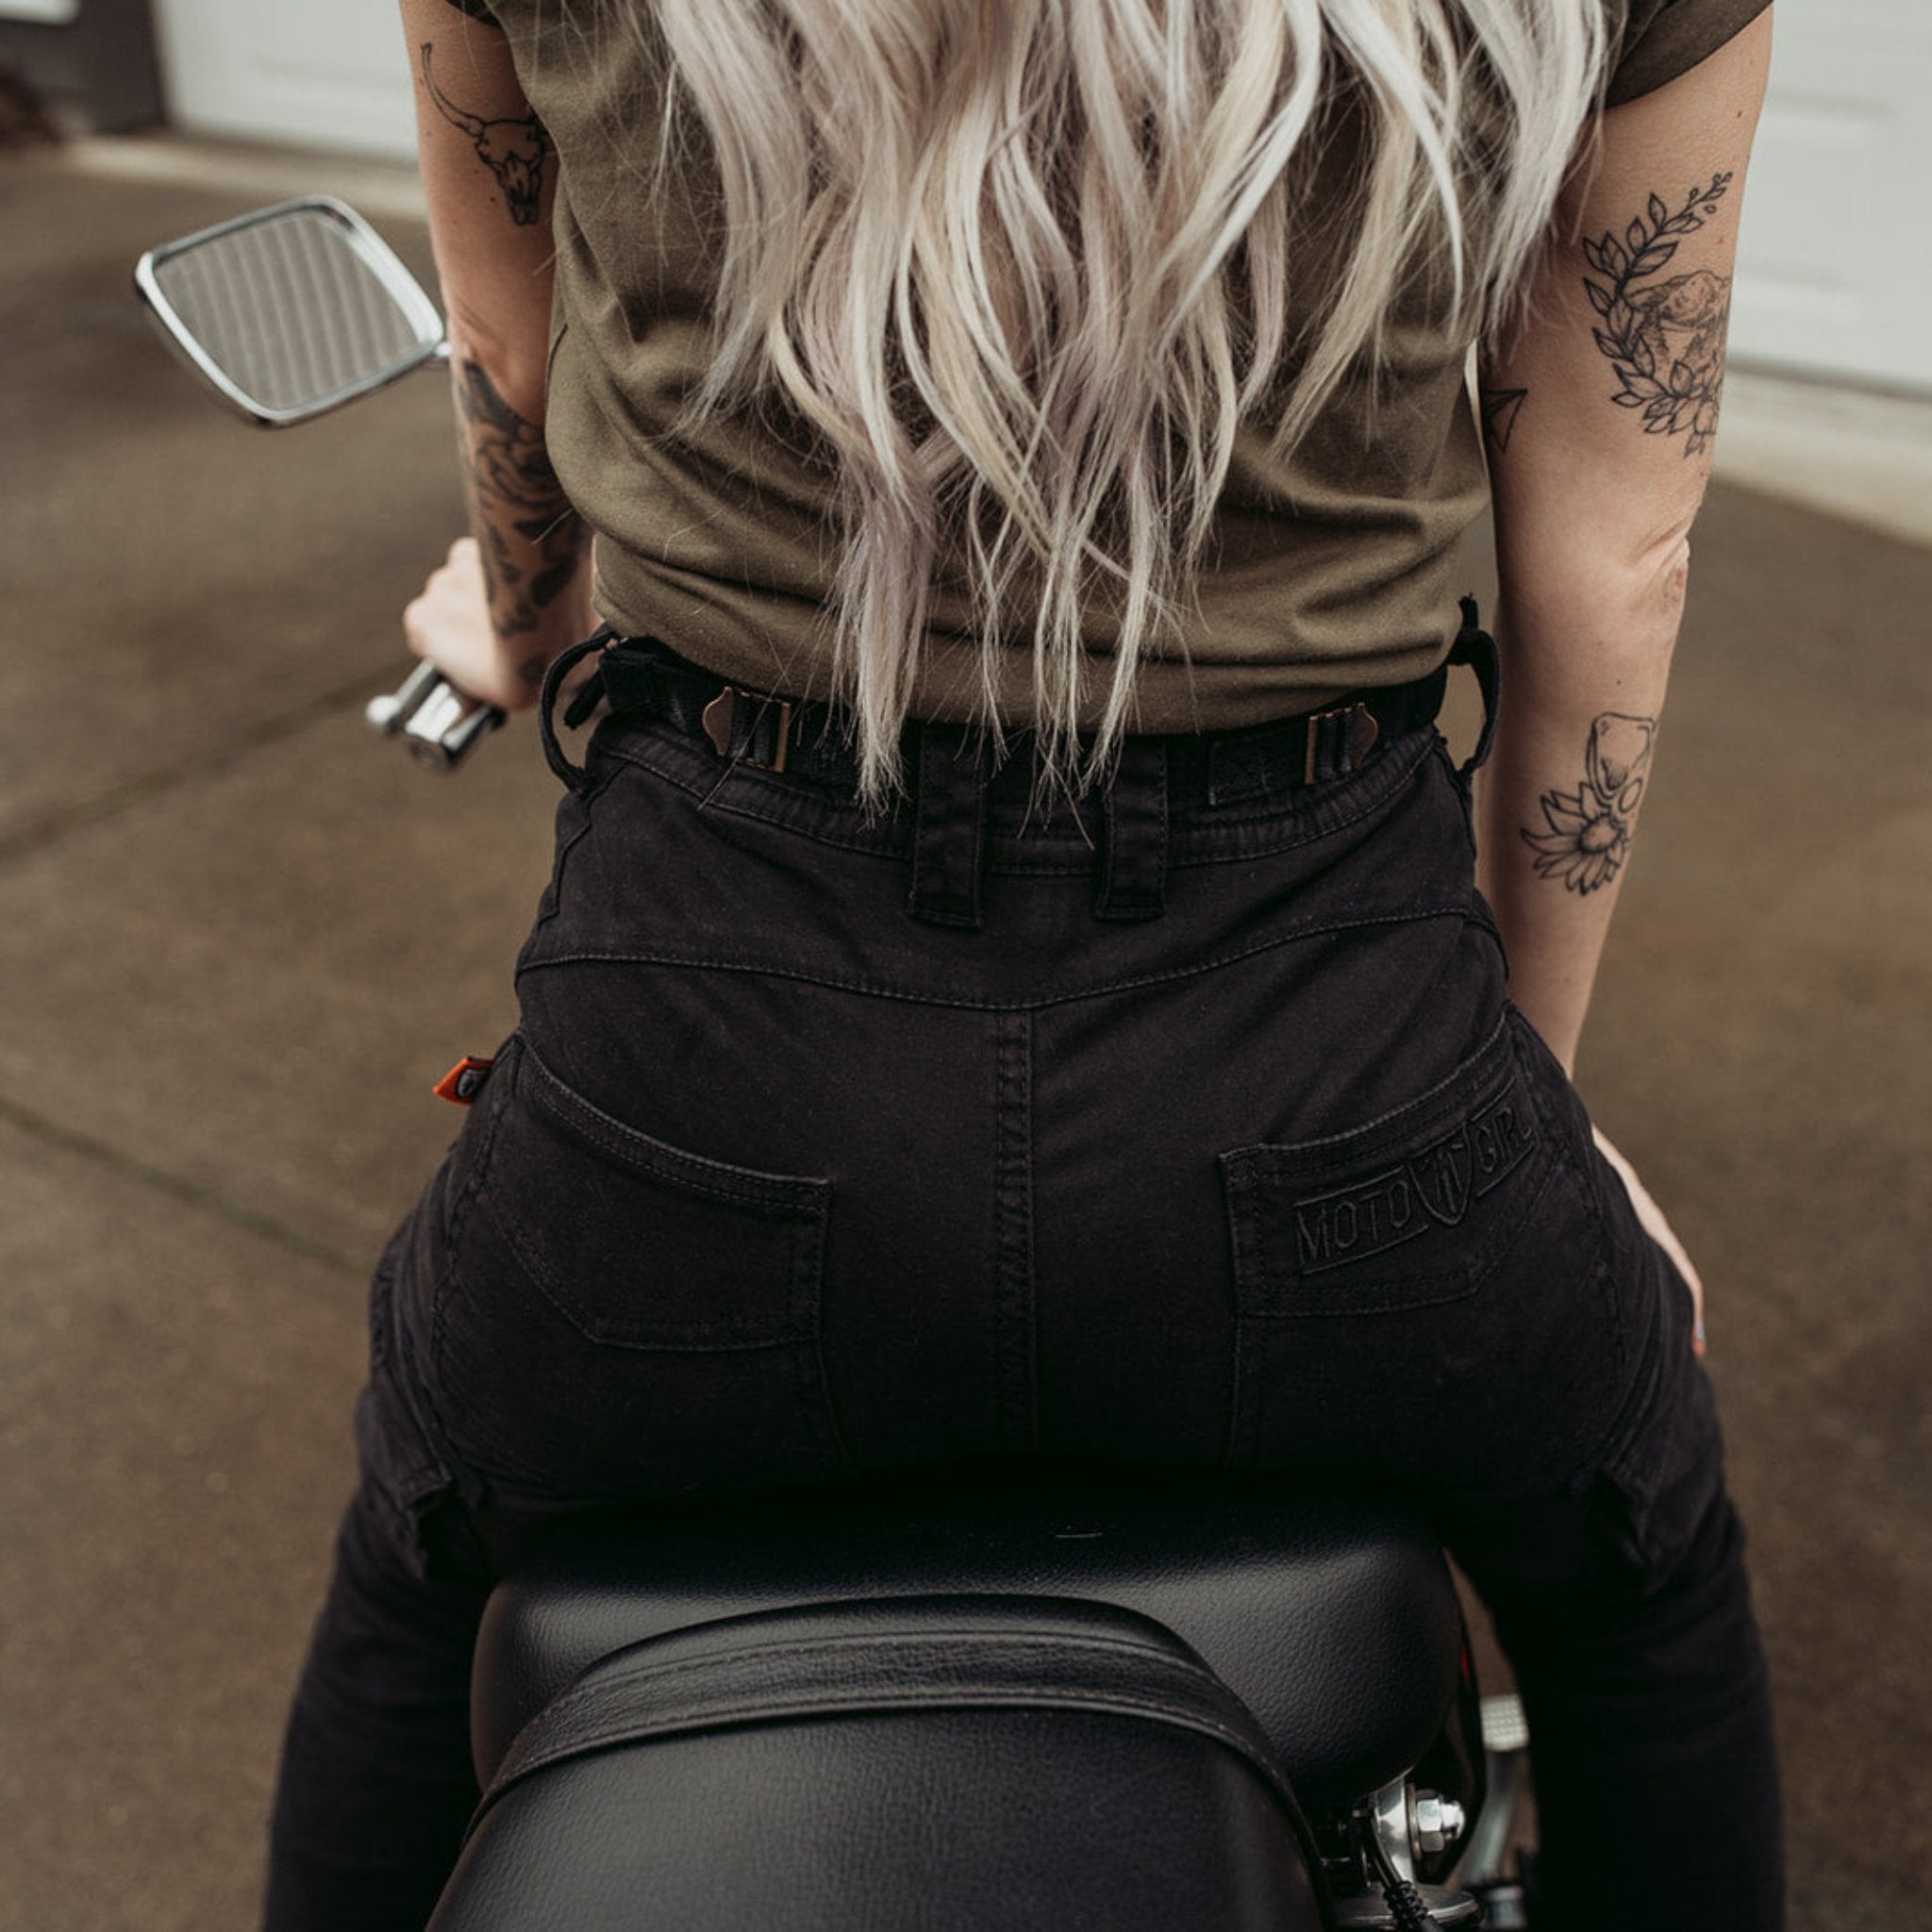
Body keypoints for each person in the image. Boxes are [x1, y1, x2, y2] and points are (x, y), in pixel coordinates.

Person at [264, 1, 1780, 1926]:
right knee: (1642, 1568)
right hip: (1334, 1044)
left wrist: (518, 607)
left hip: (706, 1049)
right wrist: (1522, 1099)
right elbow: (1611, 549)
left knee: (421, 1553)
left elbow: (510, 346)